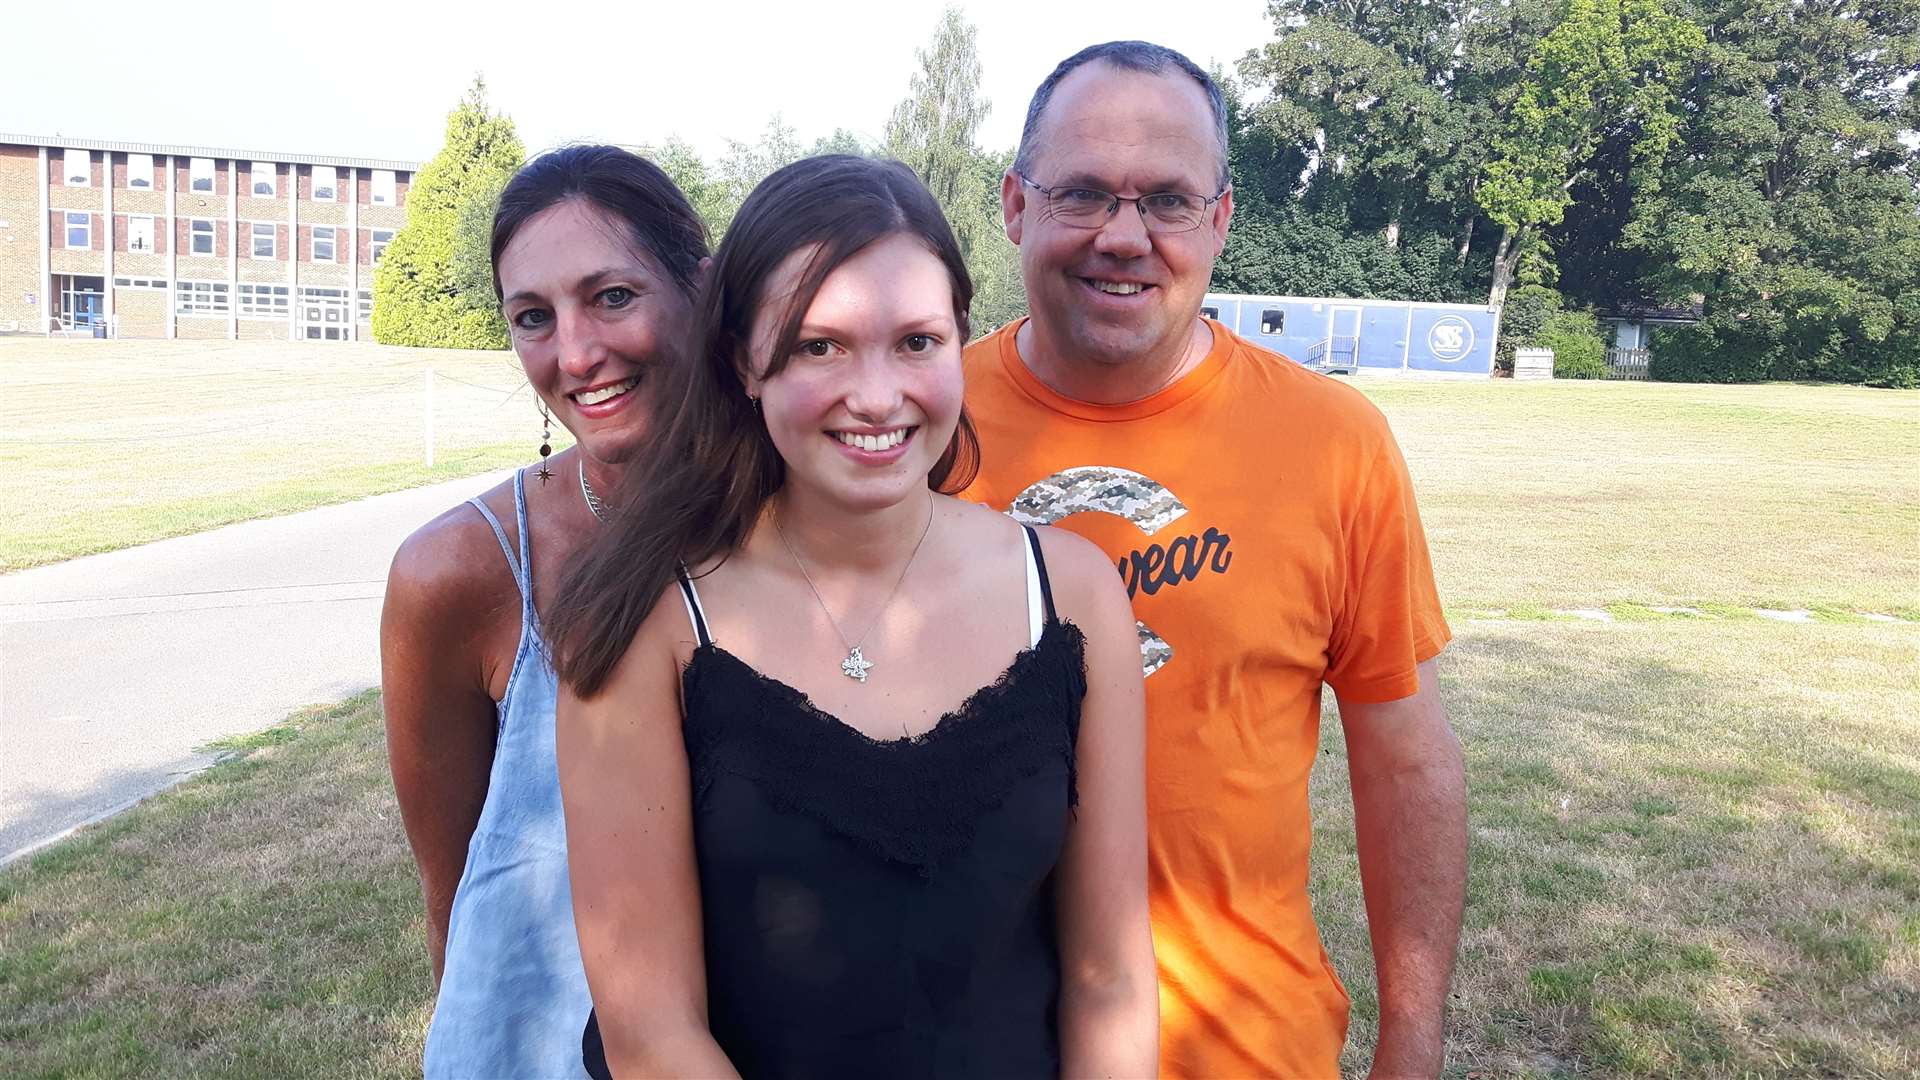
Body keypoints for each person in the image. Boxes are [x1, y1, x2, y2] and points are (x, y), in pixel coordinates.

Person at [545, 155, 1158, 1078]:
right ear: (744, 362)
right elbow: (650, 1034)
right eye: (817, 346)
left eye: (916, 342)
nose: (877, 397)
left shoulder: (1071, 597)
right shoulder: (653, 624)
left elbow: (1109, 978)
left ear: (961, 342)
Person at [962, 42, 1468, 1079]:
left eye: (1169, 202)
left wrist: (1411, 1045)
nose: (1124, 236)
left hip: (1243, 1046)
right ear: (1015, 205)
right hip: (969, 1039)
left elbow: (1402, 757)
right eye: (1084, 194)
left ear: (1222, 220)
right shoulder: (912, 427)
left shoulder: (1332, 442)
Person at [379, 144, 709, 1078]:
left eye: (612, 296)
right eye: (534, 317)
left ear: (703, 286)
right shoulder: (459, 572)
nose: (576, 353)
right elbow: (456, 896)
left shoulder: (798, 521)